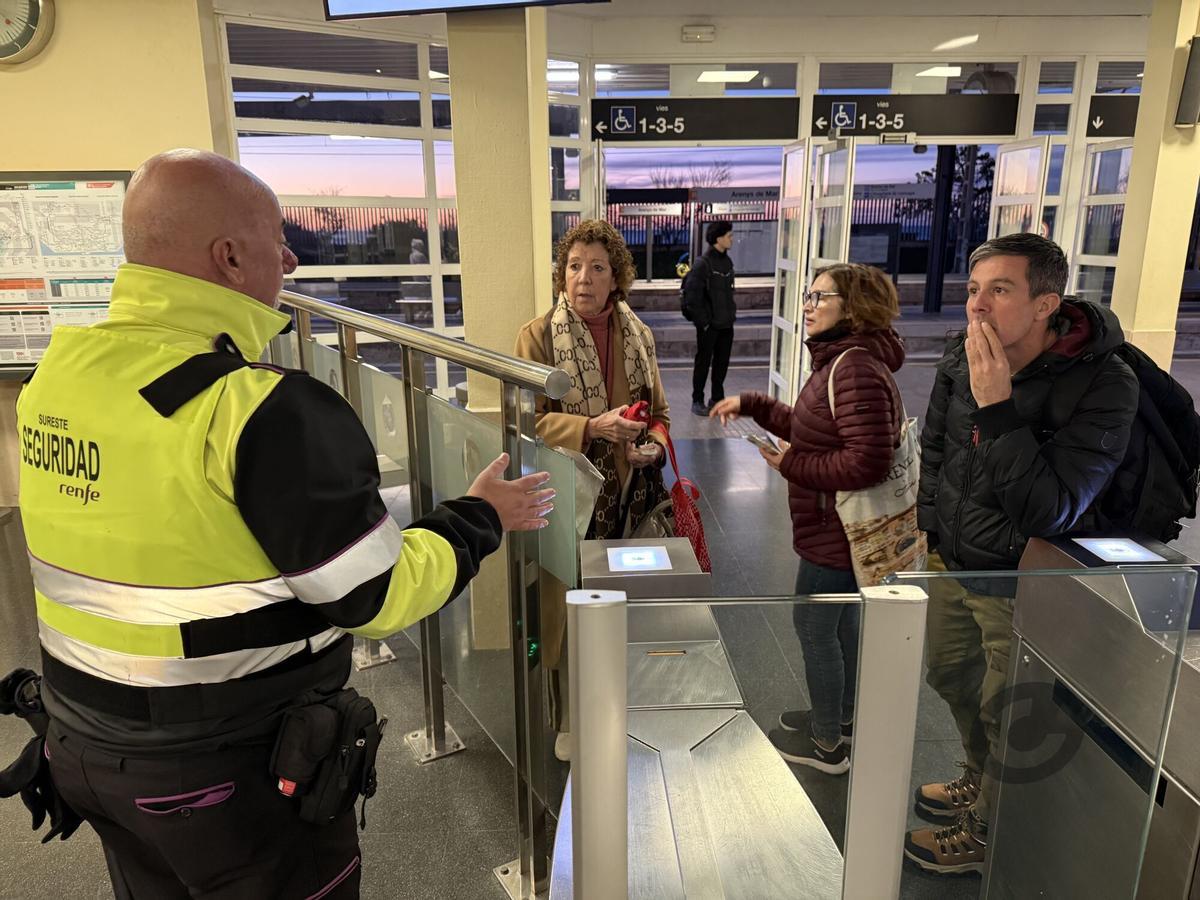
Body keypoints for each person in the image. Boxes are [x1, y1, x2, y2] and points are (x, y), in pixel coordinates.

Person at [13, 149, 554, 899]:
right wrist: (479, 517)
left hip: (84, 744)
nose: (292, 256)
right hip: (227, 773)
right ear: (230, 257)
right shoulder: (259, 409)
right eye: (277, 236)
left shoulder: (61, 377)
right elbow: (380, 596)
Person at [904, 232, 1139, 876]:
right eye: (973, 290)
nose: (977, 307)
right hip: (954, 559)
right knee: (950, 677)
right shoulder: (964, 352)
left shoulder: (1102, 381)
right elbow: (937, 453)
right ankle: (977, 781)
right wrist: (932, 531)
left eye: (999, 291)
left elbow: (1051, 510)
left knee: (1006, 711)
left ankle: (992, 832)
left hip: (1022, 581)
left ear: (1045, 303)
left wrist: (999, 406)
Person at [710, 263, 904, 775]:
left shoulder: (854, 367)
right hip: (831, 525)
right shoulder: (840, 362)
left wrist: (791, 463)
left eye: (821, 297)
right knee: (839, 624)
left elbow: (868, 462)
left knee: (815, 626)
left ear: (854, 307)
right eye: (808, 295)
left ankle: (827, 746)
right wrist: (754, 404)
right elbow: (810, 425)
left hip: (838, 529)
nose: (809, 305)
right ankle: (838, 717)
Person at [514, 218, 671, 760]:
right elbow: (526, 422)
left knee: (619, 604)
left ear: (616, 278)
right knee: (569, 609)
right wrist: (591, 428)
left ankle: (619, 700)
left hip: (628, 495)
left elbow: (661, 414)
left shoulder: (639, 337)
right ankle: (570, 719)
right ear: (562, 276)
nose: (584, 277)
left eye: (597, 267)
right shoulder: (536, 336)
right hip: (568, 497)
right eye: (574, 266)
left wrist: (650, 442)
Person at [685, 220, 736, 416]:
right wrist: (704, 323)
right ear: (718, 238)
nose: (732, 239)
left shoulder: (727, 262)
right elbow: (692, 297)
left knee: (722, 364)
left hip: (726, 324)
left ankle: (717, 399)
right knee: (703, 363)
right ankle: (697, 399)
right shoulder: (703, 264)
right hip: (709, 326)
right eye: (729, 236)